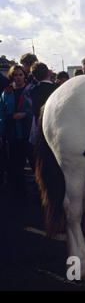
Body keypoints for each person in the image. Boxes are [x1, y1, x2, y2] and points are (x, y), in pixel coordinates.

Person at [0, 65, 33, 202]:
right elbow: (1, 114)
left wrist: (25, 114)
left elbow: (36, 110)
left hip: (28, 133)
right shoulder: (6, 93)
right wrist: (0, 134)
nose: (18, 78)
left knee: (35, 165)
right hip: (12, 134)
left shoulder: (31, 90)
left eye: (20, 75)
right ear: (11, 76)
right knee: (15, 166)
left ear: (24, 76)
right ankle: (19, 194)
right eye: (15, 75)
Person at [29, 62, 56, 145]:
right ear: (49, 72)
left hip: (39, 126)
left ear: (35, 78)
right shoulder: (56, 88)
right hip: (54, 125)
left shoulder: (33, 90)